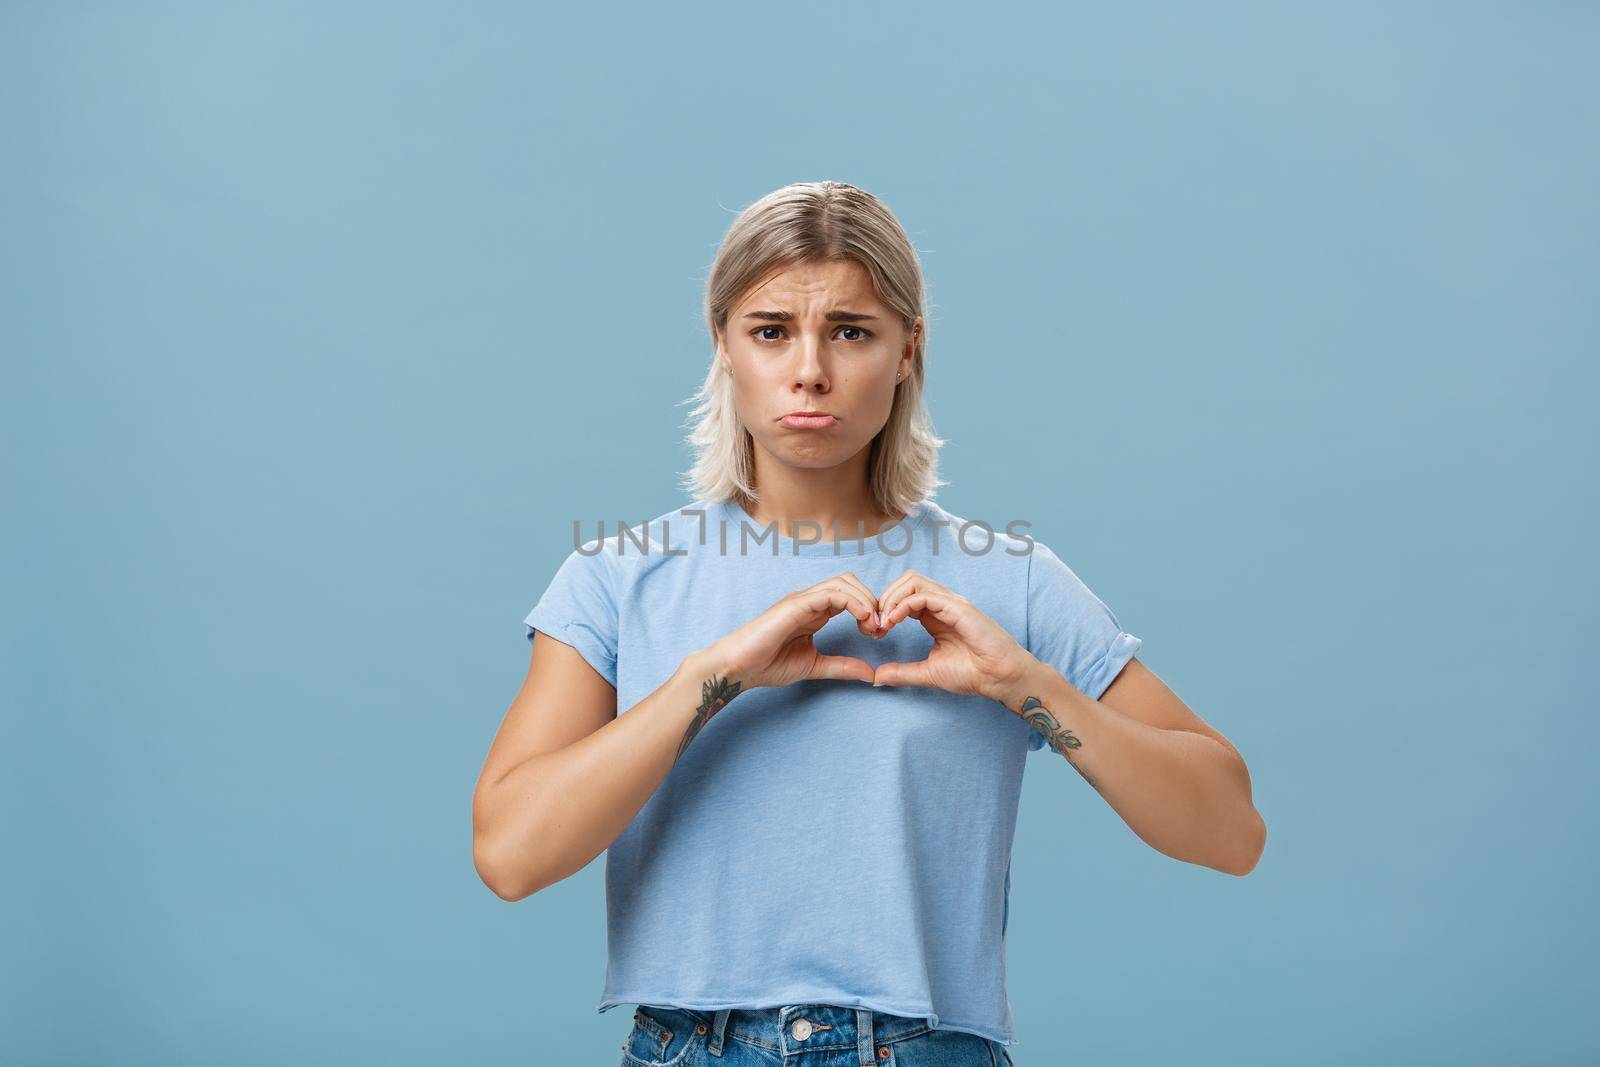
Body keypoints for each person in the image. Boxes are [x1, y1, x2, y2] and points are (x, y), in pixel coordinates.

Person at [472, 181, 1266, 1065]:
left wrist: (1023, 684)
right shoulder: (617, 578)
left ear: (906, 351)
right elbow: (511, 855)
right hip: (688, 1048)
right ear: (724, 346)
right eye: (771, 330)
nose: (809, 369)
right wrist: (712, 678)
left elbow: (1231, 831)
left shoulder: (1011, 582)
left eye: (851, 331)